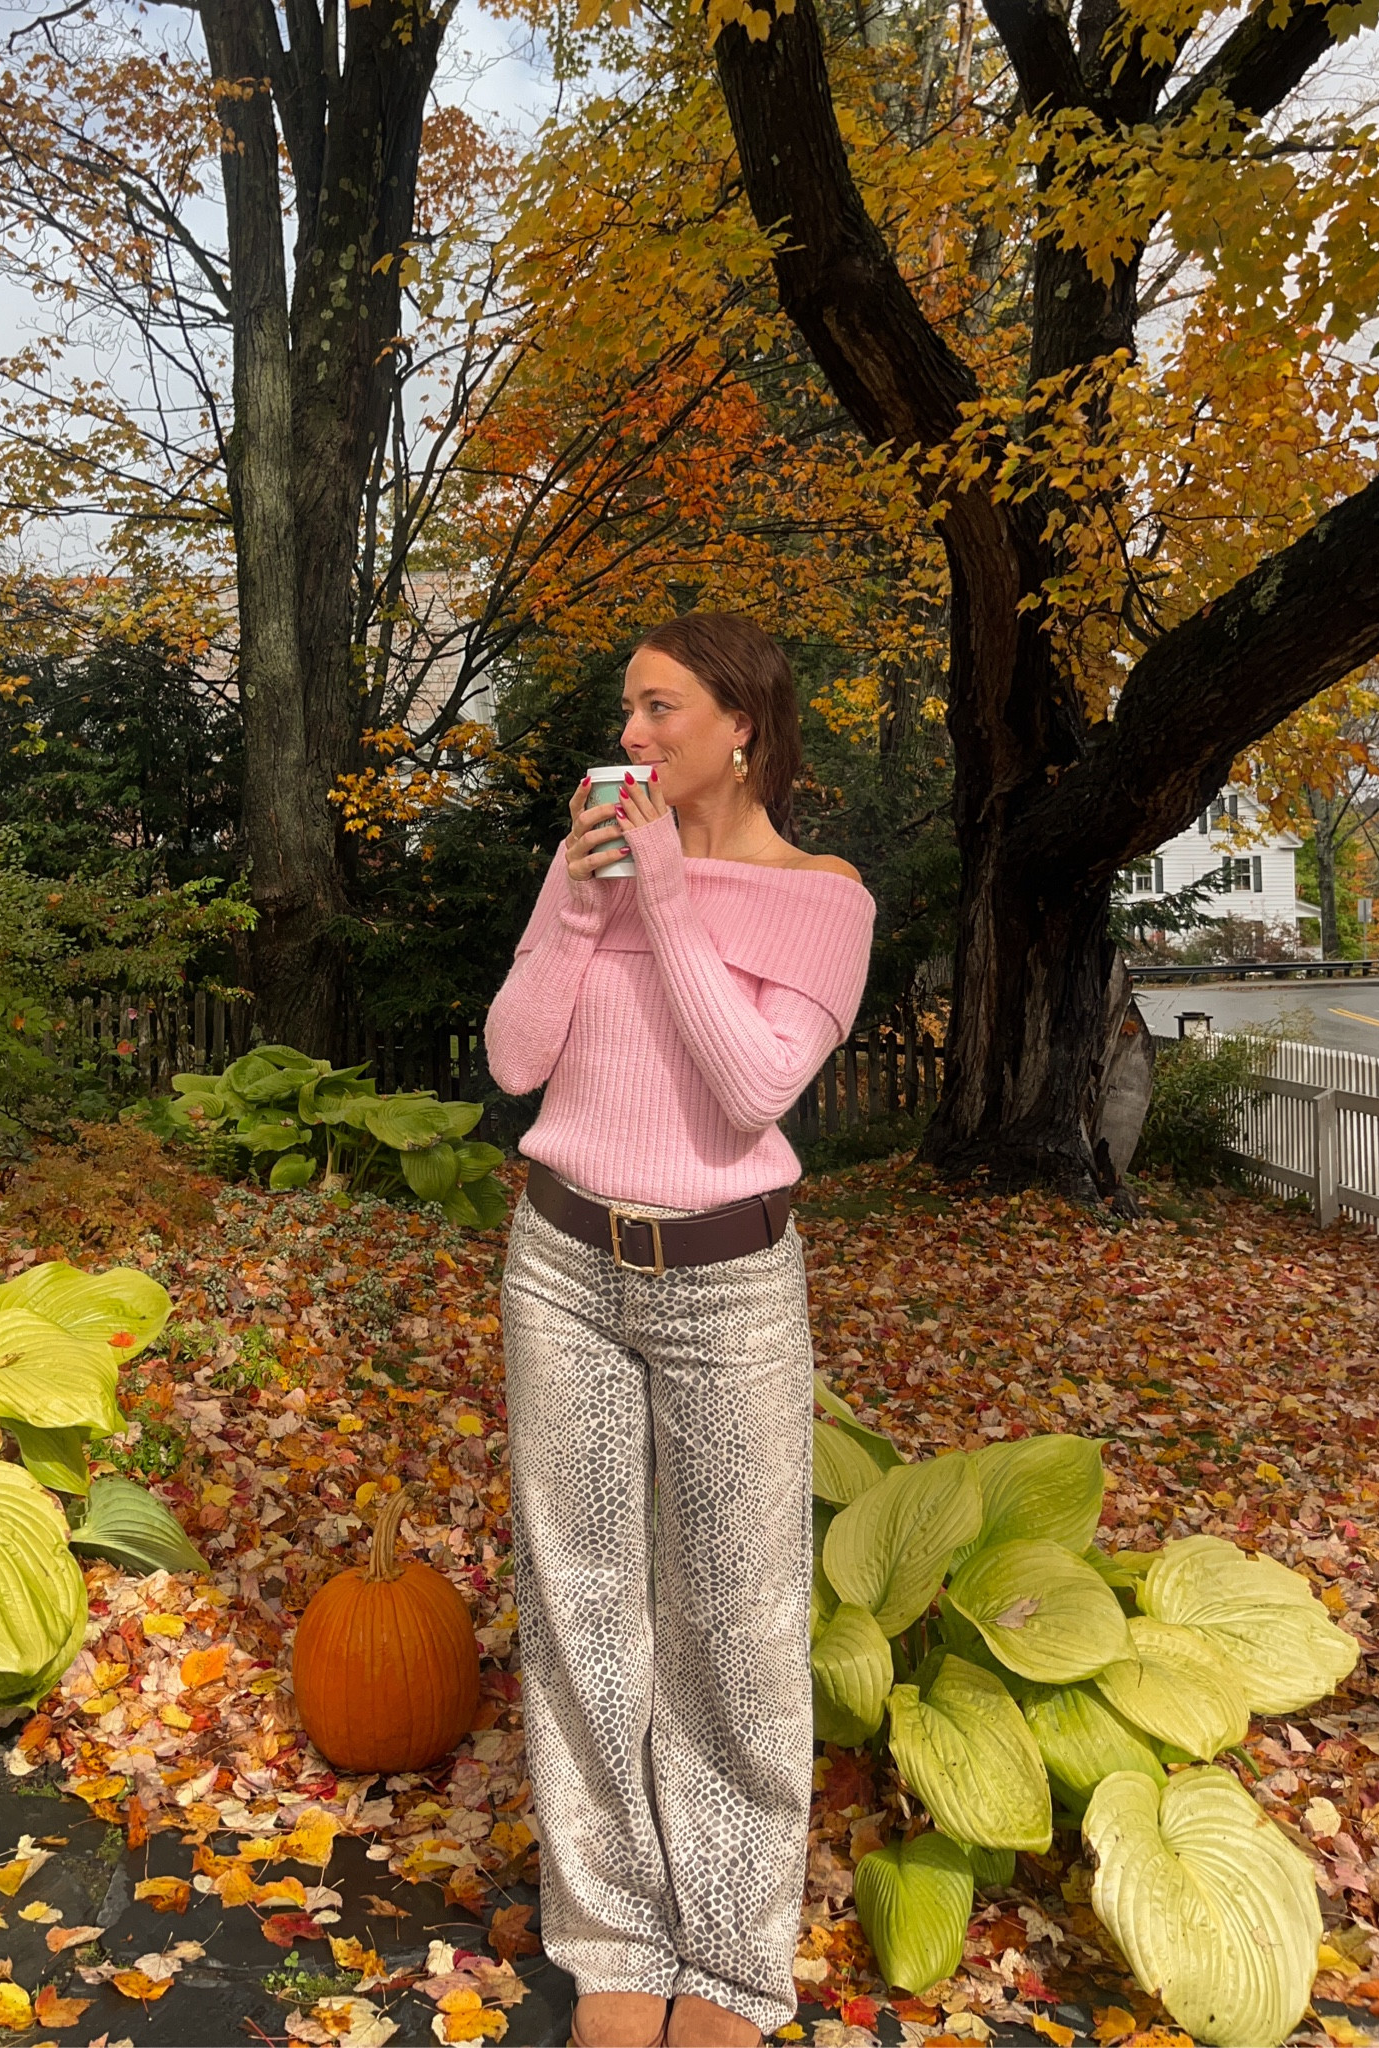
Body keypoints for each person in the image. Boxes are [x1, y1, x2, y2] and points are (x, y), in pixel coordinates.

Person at [485, 613, 876, 2048]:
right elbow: (517, 1058)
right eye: (627, 711)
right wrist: (589, 907)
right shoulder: (589, 863)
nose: (632, 736)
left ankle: (728, 1961)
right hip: (564, 1263)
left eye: (659, 709)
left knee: (737, 1624)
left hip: (729, 1290)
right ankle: (617, 1938)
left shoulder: (825, 899)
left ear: (743, 728)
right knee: (581, 1608)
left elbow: (751, 1090)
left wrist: (660, 902)